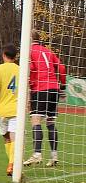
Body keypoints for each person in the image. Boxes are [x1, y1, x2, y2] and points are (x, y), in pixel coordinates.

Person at [23, 30, 67, 167]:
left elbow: (29, 69)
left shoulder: (29, 52)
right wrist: (63, 85)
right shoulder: (48, 51)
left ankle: (37, 154)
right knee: (50, 122)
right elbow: (61, 67)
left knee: (35, 120)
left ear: (29, 39)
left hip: (40, 88)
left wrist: (29, 86)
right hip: (54, 88)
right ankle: (54, 156)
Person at [0, 43, 20, 177]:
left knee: (7, 138)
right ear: (15, 56)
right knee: (12, 139)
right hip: (16, 109)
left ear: (4, 55)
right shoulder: (20, 69)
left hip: (2, 110)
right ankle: (12, 163)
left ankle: (11, 164)